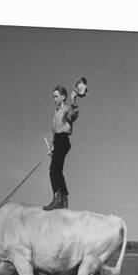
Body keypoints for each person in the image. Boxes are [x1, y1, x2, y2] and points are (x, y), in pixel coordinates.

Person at [43, 82, 83, 211]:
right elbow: (54, 131)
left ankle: (58, 199)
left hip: (63, 140)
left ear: (63, 96)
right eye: (53, 97)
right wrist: (51, 147)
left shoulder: (66, 109)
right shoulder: (56, 113)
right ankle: (63, 199)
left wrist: (73, 100)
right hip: (57, 141)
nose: (53, 99)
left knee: (53, 170)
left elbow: (74, 115)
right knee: (57, 170)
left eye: (56, 96)